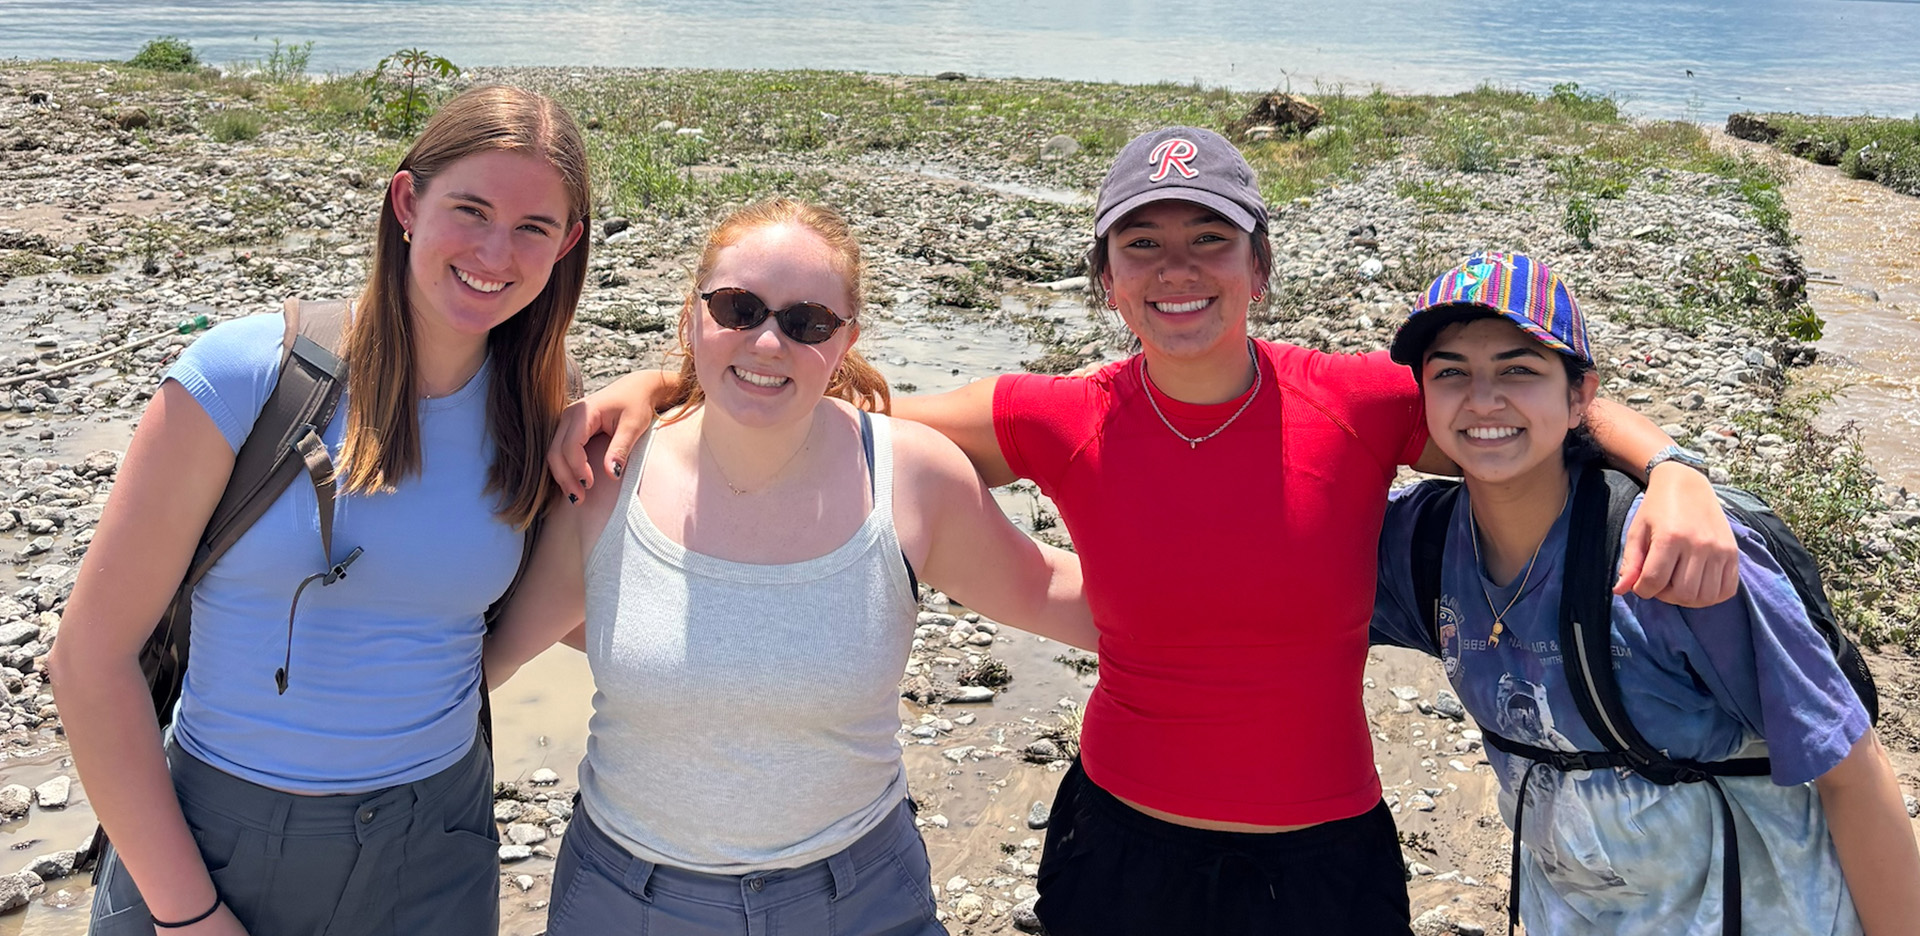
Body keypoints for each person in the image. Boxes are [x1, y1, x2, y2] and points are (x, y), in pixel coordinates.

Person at [549, 126, 1741, 934]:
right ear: (1107, 279)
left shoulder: (1361, 402)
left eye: (1209, 239)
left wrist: (1673, 469)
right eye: (1143, 245)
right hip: (1120, 851)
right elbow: (813, 404)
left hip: (1323, 860)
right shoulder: (1056, 416)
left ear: (1259, 267)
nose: (1179, 270)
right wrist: (662, 387)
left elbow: (1527, 411)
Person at [52, 84, 591, 936]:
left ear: (567, 244)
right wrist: (188, 915)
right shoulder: (247, 375)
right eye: (471, 209)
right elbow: (88, 661)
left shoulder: (545, 413)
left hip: (435, 852)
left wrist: (652, 391)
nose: (496, 252)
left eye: (533, 226)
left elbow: (587, 624)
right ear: (407, 203)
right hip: (211, 842)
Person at [484, 198, 1097, 935]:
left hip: (860, 900)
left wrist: (1229, 631)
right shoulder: (606, 478)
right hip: (628, 898)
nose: (768, 342)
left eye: (807, 322)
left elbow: (1052, 591)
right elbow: (479, 657)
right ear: (692, 317)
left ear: (846, 342)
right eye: (738, 309)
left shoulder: (909, 478)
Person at [1370, 252, 1920, 935]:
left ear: (1580, 397)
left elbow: (1850, 770)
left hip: (1763, 910)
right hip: (1574, 911)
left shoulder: (1674, 558)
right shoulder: (1421, 549)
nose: (1483, 400)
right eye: (1451, 372)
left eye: (1519, 369)